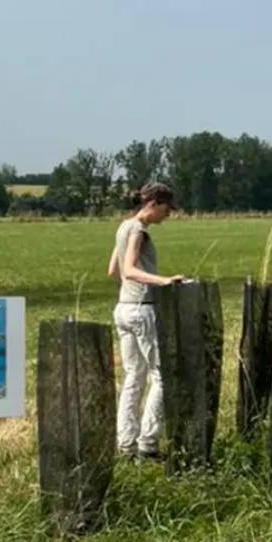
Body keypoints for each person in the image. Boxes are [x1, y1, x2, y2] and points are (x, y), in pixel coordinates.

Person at [107, 183, 184, 460]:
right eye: (166, 209)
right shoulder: (138, 230)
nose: (167, 215)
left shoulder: (123, 227)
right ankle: (148, 444)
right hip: (142, 309)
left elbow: (112, 271)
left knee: (133, 377)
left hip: (123, 308)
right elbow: (128, 270)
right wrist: (163, 280)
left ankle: (125, 443)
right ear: (153, 203)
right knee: (161, 376)